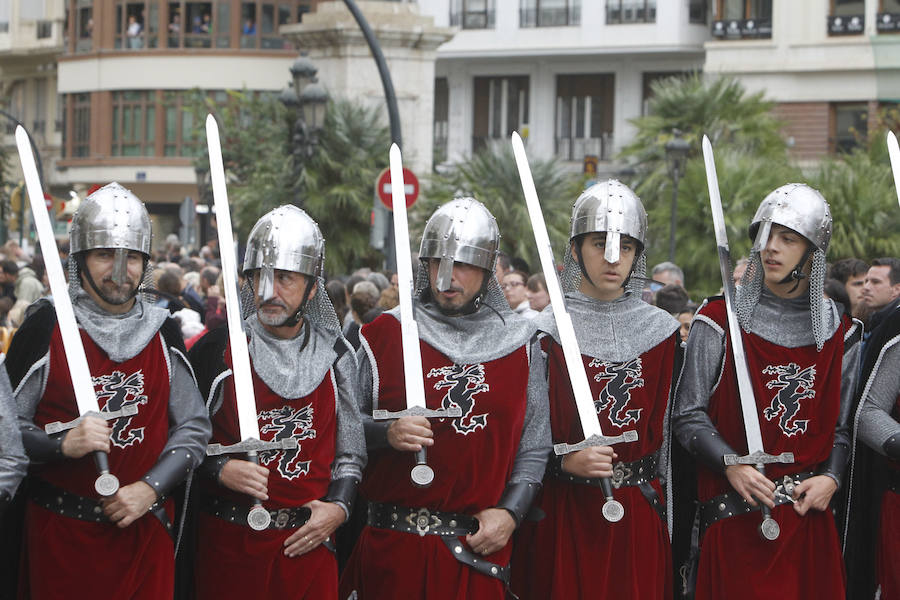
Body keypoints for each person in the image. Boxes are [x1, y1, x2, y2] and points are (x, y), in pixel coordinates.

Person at [339, 197, 550, 600]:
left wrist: (510, 512)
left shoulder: (520, 345)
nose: (448, 276)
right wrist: (386, 432)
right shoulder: (381, 336)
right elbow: (341, 431)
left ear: (488, 271)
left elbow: (535, 446)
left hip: (476, 552)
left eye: (465, 264)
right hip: (392, 553)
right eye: (438, 262)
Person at [7, 183, 211, 599]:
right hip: (59, 538)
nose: (120, 270)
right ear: (79, 260)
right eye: (105, 254)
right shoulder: (45, 327)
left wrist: (150, 487)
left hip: (143, 534)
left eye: (132, 256)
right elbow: (7, 435)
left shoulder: (162, 330)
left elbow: (193, 427)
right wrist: (62, 443)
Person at [673, 183, 860, 600]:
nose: (771, 247)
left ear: (812, 252)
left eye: (787, 238)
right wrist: (731, 463)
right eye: (764, 235)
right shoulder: (718, 319)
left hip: (807, 517)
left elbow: (842, 427)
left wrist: (832, 476)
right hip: (734, 514)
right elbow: (687, 415)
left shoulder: (841, 333)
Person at [511, 180, 681, 599]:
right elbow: (520, 436)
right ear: (574, 251)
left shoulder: (663, 333)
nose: (612, 258)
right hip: (563, 510)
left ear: (638, 255)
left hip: (639, 512)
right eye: (598, 243)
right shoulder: (540, 332)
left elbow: (672, 445)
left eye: (624, 247)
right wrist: (561, 463)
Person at [189, 206, 365, 599]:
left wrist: (339, 506)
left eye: (284, 278)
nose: (269, 292)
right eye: (259, 278)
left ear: (313, 286)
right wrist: (218, 468)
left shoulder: (337, 355)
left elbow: (350, 453)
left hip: (309, 547)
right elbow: (178, 444)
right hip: (229, 549)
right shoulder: (216, 352)